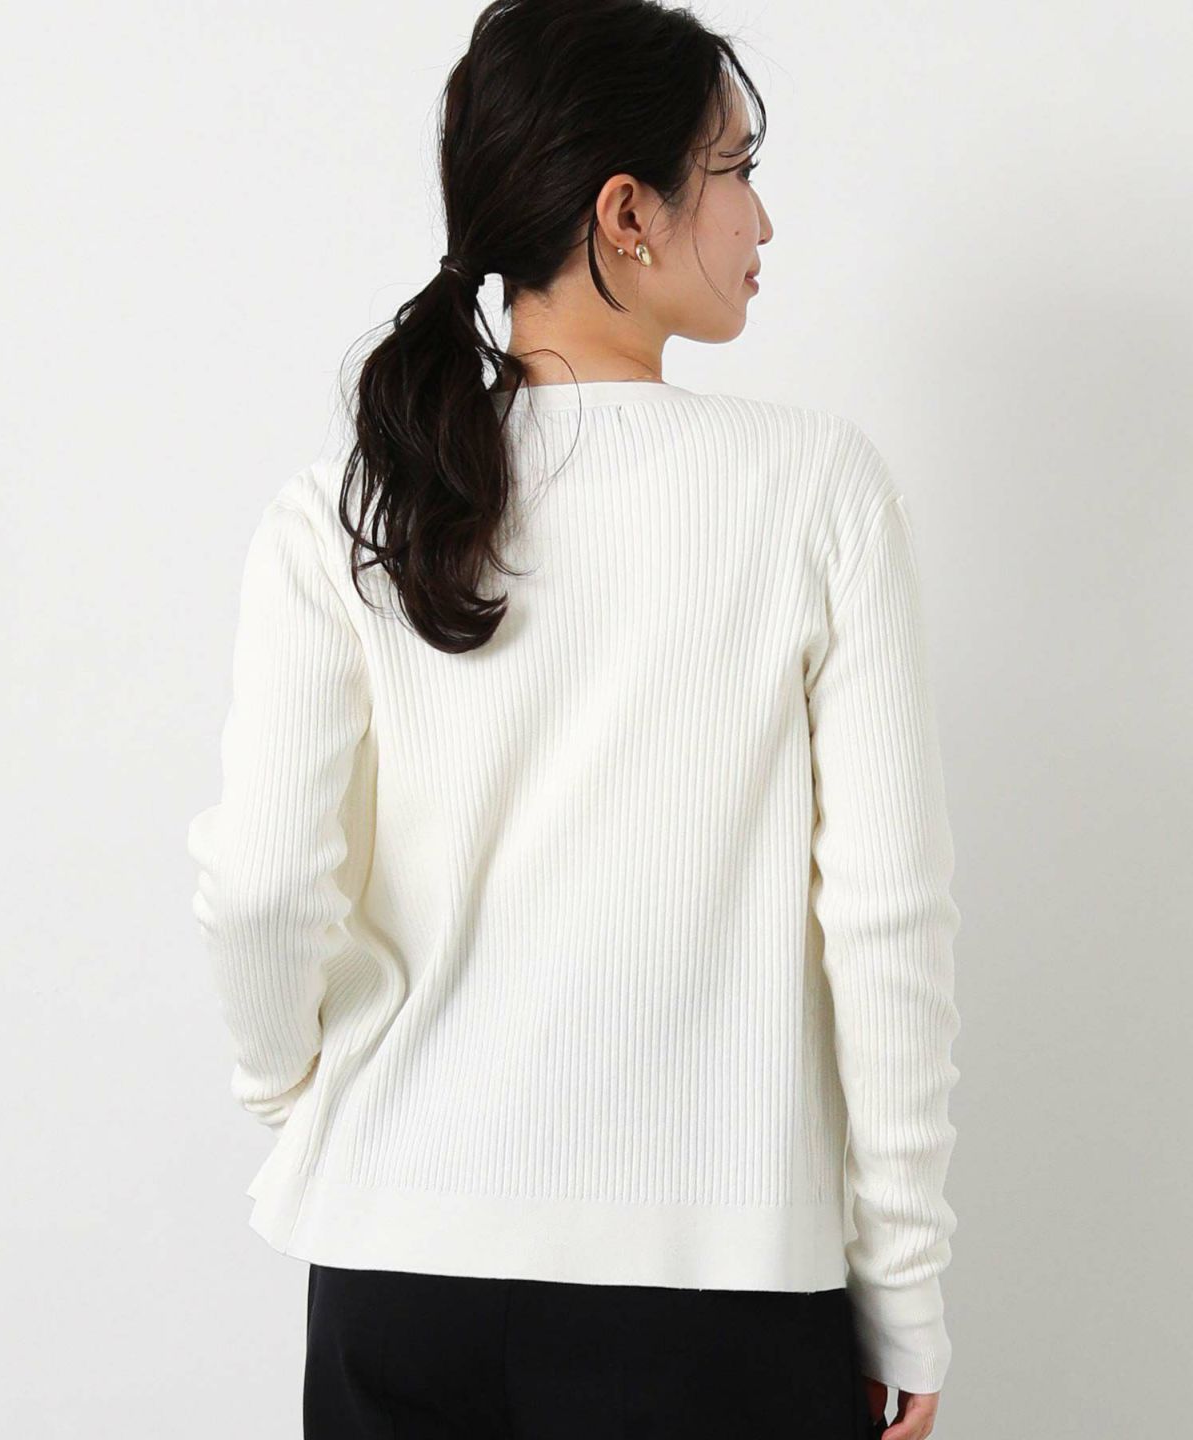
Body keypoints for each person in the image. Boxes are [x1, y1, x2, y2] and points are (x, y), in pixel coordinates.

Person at [186, 2, 962, 1437]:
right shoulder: (813, 491)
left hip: (398, 1274)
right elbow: (885, 920)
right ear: (627, 215)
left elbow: (262, 886)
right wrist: (902, 1282)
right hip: (715, 1294)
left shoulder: (345, 509)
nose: (764, 219)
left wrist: (295, 1095)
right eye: (735, 170)